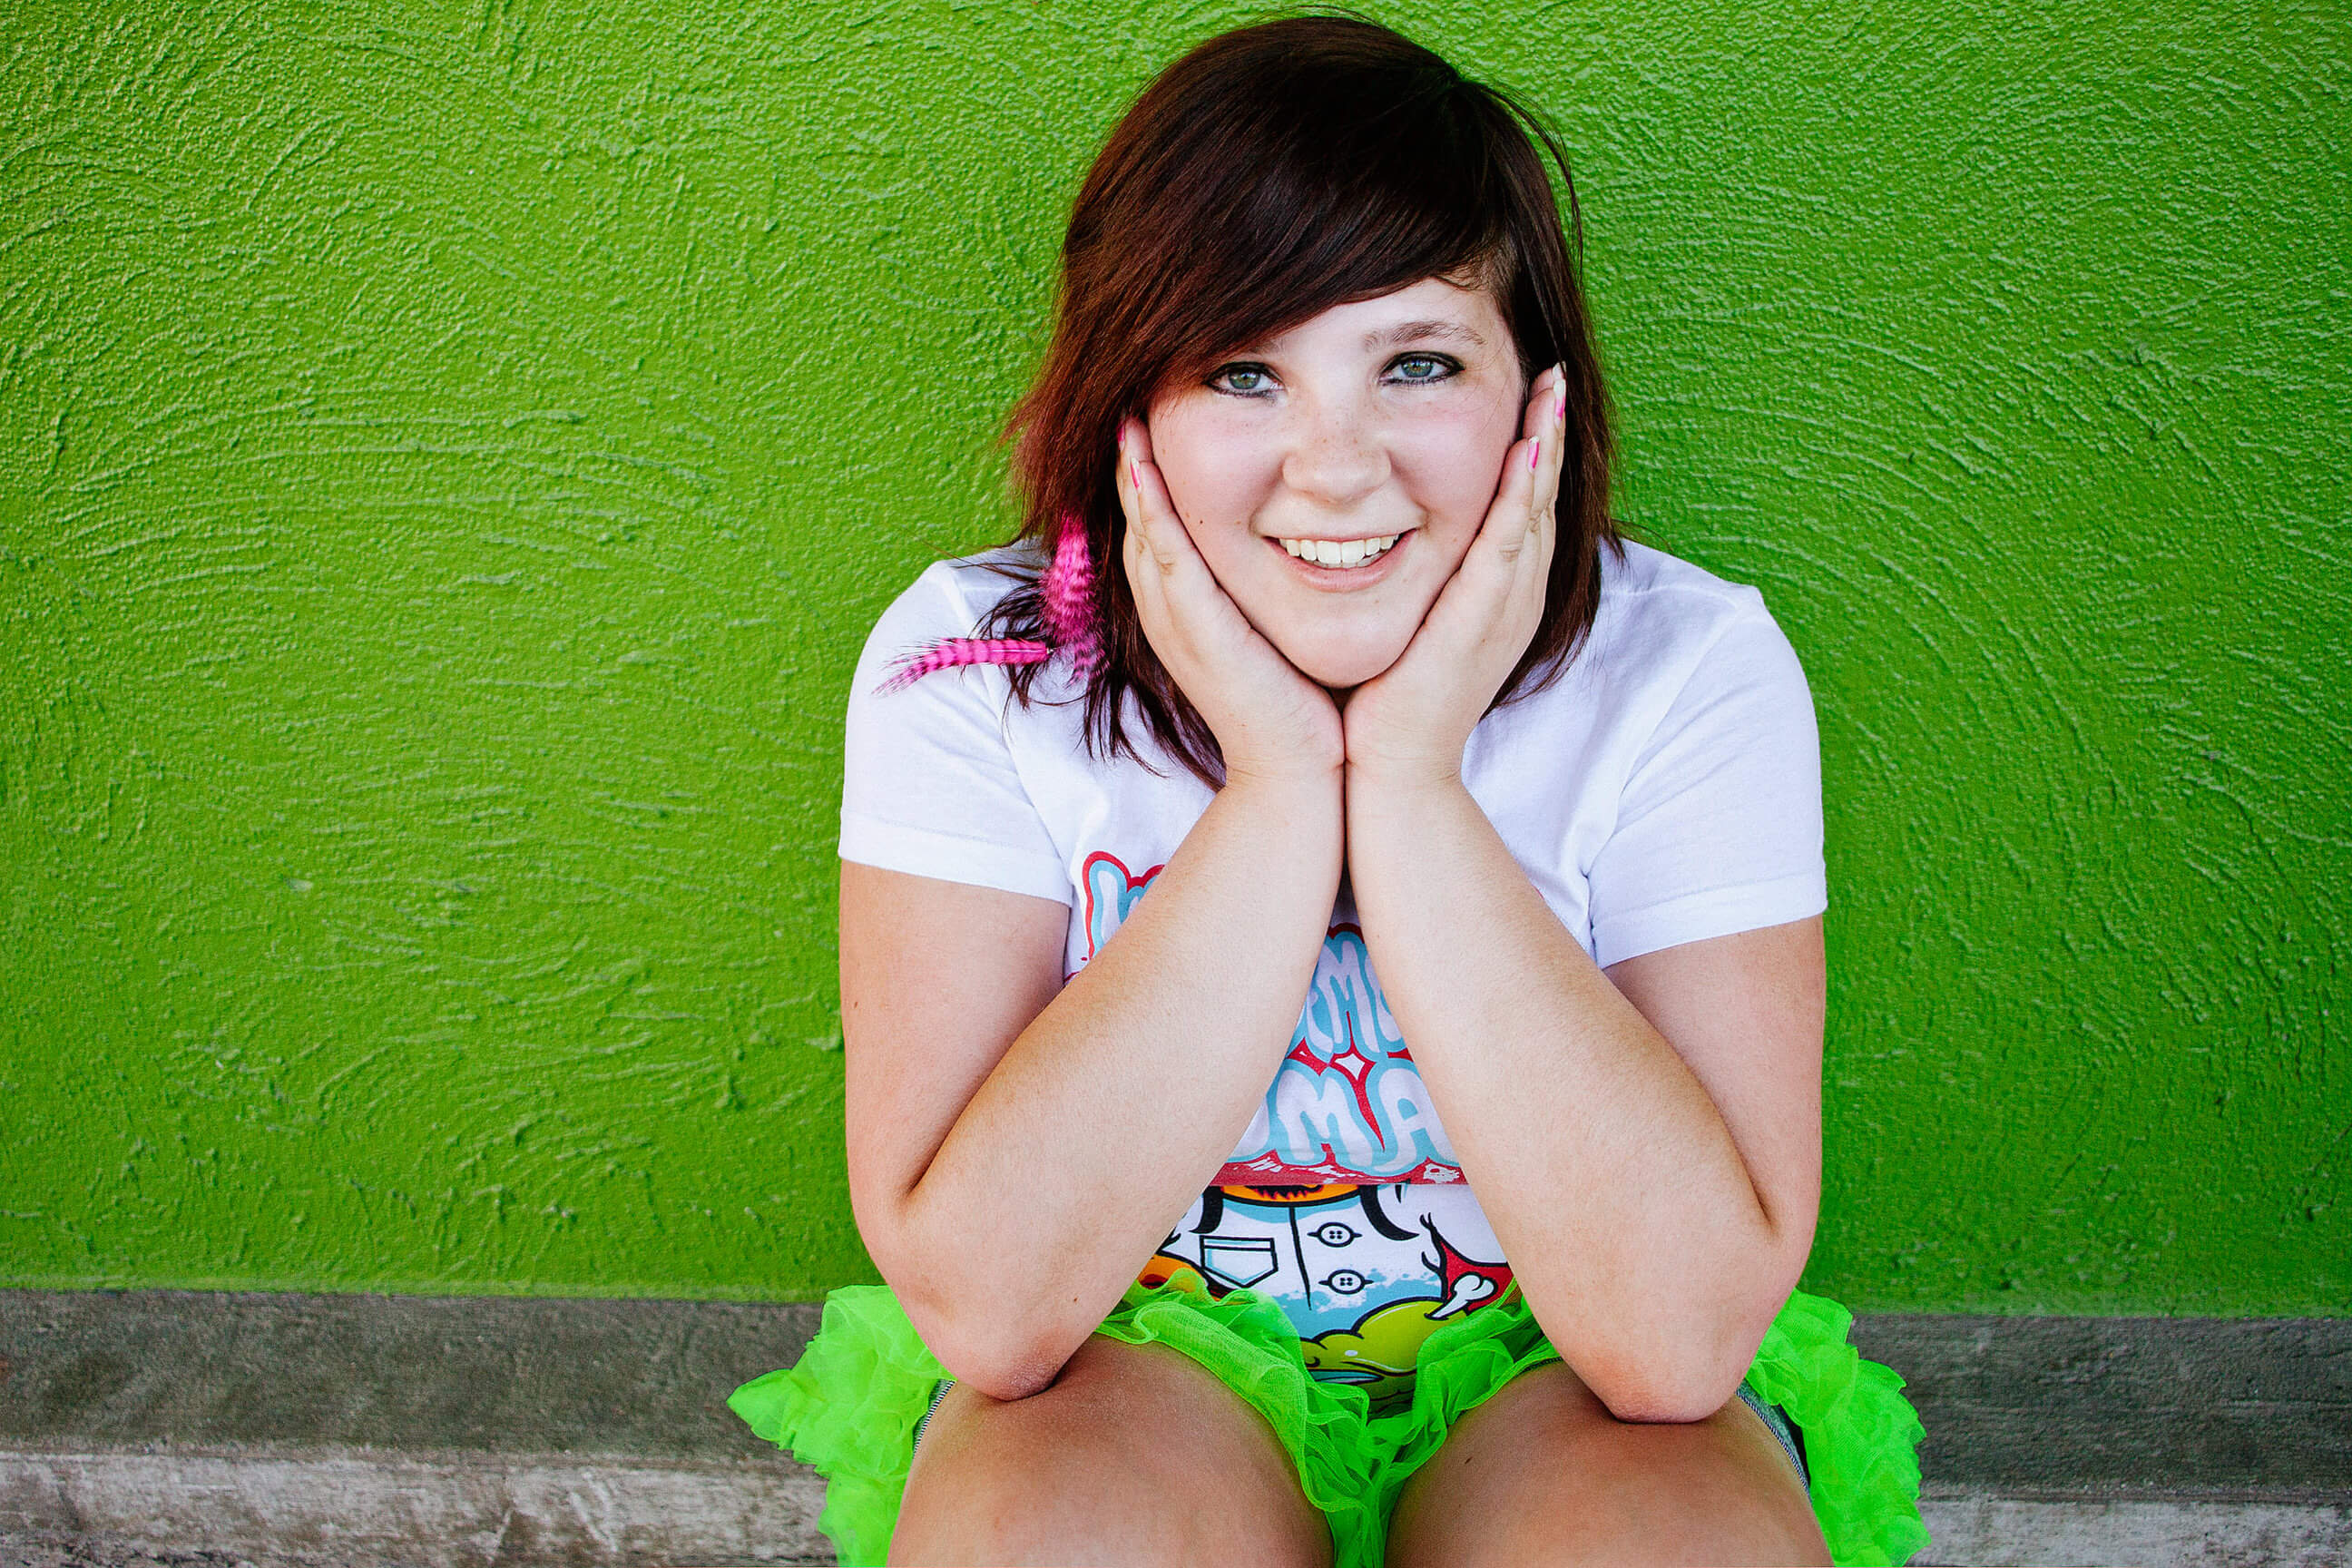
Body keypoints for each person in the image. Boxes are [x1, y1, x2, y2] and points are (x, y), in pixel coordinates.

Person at [730, 15, 1929, 1567]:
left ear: (1533, 397)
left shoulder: (1684, 669)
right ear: (1131, 408)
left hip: (1559, 1375)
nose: (1336, 466)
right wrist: (1288, 781)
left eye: (1416, 363)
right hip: (1131, 1359)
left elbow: (1677, 1343)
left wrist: (1415, 779)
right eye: (1244, 373)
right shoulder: (976, 663)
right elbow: (994, 1308)